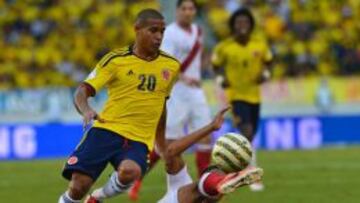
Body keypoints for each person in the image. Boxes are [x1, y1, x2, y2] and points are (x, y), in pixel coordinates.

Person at [58, 9, 180, 203]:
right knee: (79, 185)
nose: (159, 36)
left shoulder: (172, 66)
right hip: (106, 129)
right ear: (137, 29)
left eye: (162, 32)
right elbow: (82, 90)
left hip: (139, 139)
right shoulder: (115, 60)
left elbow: (160, 104)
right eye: (153, 30)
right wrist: (86, 110)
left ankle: (97, 197)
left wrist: (161, 143)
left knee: (130, 171)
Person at [129, 0, 213, 200]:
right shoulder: (170, 33)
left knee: (206, 138)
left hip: (196, 92)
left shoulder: (198, 32)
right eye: (183, 8)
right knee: (168, 145)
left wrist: (201, 70)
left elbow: (200, 56)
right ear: (177, 11)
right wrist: (183, 77)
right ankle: (137, 179)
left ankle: (205, 190)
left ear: (194, 12)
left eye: (191, 8)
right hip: (176, 92)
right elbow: (165, 63)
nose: (187, 12)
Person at [211, 7, 273, 191]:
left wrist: (266, 74)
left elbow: (269, 62)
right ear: (233, 26)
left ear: (251, 25)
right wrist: (221, 79)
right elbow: (216, 65)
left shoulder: (259, 44)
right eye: (238, 22)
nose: (242, 25)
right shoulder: (224, 47)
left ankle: (235, 169)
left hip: (254, 95)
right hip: (235, 96)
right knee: (246, 132)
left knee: (251, 134)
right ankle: (252, 175)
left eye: (245, 22)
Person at [158, 107, 264, 203]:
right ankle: (220, 182)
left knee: (197, 191)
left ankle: (220, 182)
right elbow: (171, 152)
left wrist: (211, 127)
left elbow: (171, 152)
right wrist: (211, 127)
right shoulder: (183, 185)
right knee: (198, 191)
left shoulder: (182, 188)